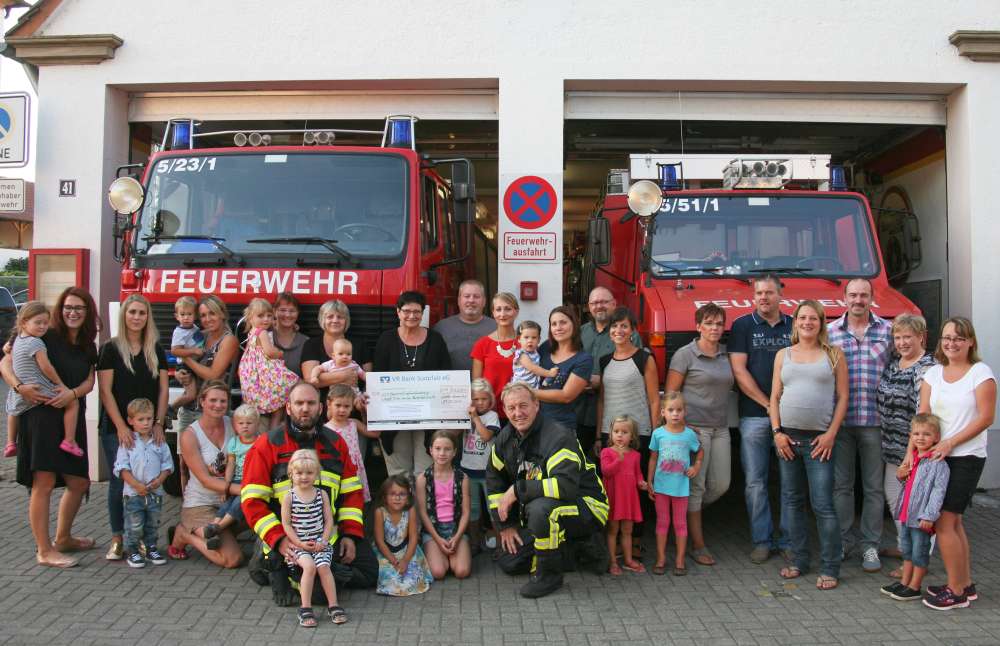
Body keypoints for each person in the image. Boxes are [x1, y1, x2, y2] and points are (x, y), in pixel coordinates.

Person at [242, 381, 378, 607]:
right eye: (299, 403)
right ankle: (272, 563)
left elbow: (352, 493)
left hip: (325, 534)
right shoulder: (267, 445)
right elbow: (252, 502)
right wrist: (279, 540)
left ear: (320, 408)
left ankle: (321, 570)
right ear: (288, 408)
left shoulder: (336, 443)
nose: (305, 408)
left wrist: (350, 535)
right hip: (287, 535)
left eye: (311, 403)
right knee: (319, 597)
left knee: (370, 572)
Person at [1, 287, 98, 567]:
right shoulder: (44, 334)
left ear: (87, 312)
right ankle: (44, 550)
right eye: (68, 306)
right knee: (42, 483)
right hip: (40, 416)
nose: (73, 312)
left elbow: (90, 382)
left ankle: (63, 538)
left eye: (79, 308)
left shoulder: (88, 345)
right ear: (60, 309)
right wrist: (19, 388)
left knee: (79, 481)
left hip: (70, 416)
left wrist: (73, 394)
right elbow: (6, 360)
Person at [486, 382, 610, 598]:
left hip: (587, 505)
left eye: (523, 406)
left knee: (541, 508)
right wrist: (505, 525)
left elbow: (565, 487)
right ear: (504, 410)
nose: (518, 413)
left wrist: (517, 490)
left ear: (536, 405)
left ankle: (549, 576)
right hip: (548, 508)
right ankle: (579, 547)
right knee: (510, 562)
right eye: (511, 408)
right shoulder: (506, 439)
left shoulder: (558, 437)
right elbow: (494, 479)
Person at [917, 317, 996, 610]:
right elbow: (923, 415)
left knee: (943, 522)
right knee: (956, 522)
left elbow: (986, 418)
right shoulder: (933, 374)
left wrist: (950, 442)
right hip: (937, 458)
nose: (952, 343)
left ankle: (955, 592)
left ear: (970, 342)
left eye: (959, 339)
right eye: (947, 337)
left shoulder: (980, 373)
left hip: (966, 457)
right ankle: (964, 584)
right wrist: (916, 454)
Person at [771, 300, 848, 591]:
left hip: (820, 441)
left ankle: (830, 566)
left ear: (821, 322)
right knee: (792, 502)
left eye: (813, 318)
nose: (807, 323)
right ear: (795, 322)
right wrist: (777, 432)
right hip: (787, 438)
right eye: (802, 318)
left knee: (823, 505)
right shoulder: (783, 355)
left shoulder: (834, 354)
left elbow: (842, 397)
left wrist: (831, 434)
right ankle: (799, 560)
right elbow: (774, 397)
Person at [97, 293, 169, 561]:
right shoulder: (110, 349)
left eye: (142, 313)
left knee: (148, 482)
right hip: (119, 429)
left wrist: (159, 423)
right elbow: (106, 392)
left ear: (147, 317)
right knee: (120, 484)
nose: (137, 317)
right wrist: (121, 427)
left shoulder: (156, 349)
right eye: (132, 312)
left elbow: (163, 390)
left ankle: (142, 541)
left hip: (150, 429)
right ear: (124, 315)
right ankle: (118, 539)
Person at [827, 278, 893, 572]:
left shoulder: (888, 332)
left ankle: (870, 546)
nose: (858, 300)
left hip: (875, 422)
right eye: (853, 295)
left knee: (874, 489)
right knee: (841, 487)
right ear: (844, 298)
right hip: (839, 423)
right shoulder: (828, 333)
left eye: (863, 295)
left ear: (872, 298)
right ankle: (843, 542)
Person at [728, 274, 792, 563]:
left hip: (791, 418)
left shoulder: (794, 324)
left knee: (790, 482)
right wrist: (768, 405)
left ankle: (789, 540)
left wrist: (781, 409)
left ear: (780, 294)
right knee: (755, 482)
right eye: (759, 294)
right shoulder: (742, 326)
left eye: (769, 293)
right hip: (754, 415)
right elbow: (739, 372)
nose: (763, 298)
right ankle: (762, 540)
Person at [666, 303, 734, 567]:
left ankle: (679, 518)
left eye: (719, 324)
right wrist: (680, 429)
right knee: (697, 487)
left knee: (721, 485)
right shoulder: (685, 355)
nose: (714, 328)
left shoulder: (726, 355)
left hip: (720, 428)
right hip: (694, 429)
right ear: (698, 327)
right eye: (709, 323)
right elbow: (672, 395)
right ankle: (697, 545)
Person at [876, 313, 935, 575]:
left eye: (907, 337)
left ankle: (917, 557)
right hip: (892, 444)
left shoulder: (926, 368)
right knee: (896, 498)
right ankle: (904, 546)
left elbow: (924, 414)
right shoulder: (894, 364)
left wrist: (911, 454)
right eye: (897, 337)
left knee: (915, 505)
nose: (902, 342)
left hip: (913, 449)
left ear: (921, 337)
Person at [373, 291, 452, 476]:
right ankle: (403, 506)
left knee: (424, 472)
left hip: (429, 418)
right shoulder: (386, 339)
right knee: (399, 473)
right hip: (393, 418)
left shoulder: (435, 340)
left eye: (417, 311)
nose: (412, 316)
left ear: (423, 313)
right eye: (406, 311)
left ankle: (422, 505)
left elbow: (446, 375)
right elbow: (378, 377)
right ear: (398, 312)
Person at [167, 380, 243, 567]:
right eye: (213, 400)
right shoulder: (190, 435)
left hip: (227, 503)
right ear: (202, 401)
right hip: (201, 504)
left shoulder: (233, 423)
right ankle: (184, 533)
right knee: (233, 559)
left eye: (223, 401)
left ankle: (220, 533)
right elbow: (205, 480)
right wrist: (243, 489)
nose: (218, 405)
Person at [880, 414, 949, 602]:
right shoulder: (914, 458)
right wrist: (901, 476)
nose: (920, 437)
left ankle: (915, 586)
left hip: (921, 518)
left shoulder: (937, 463)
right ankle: (904, 582)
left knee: (919, 552)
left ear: (936, 438)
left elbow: (938, 492)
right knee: (908, 551)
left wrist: (929, 515)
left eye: (926, 434)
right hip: (906, 514)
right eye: (916, 434)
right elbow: (909, 486)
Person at [6, 301, 82, 457]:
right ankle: (69, 440)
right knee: (73, 403)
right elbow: (46, 367)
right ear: (24, 322)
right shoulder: (36, 342)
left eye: (45, 323)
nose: (42, 327)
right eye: (38, 323)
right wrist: (60, 384)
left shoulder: (18, 340)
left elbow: (10, 358)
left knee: (12, 411)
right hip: (39, 388)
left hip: (21, 391)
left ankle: (10, 443)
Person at [281, 448, 347, 627]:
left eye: (309, 473)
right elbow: (286, 524)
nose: (304, 477)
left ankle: (333, 605)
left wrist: (323, 541)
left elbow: (328, 521)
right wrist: (299, 543)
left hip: (319, 543)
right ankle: (305, 608)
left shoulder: (321, 494)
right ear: (291, 473)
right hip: (299, 545)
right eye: (299, 473)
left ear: (317, 474)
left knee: (324, 567)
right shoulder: (289, 497)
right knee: (309, 567)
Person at [113, 397, 174, 569]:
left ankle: (151, 547)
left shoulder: (159, 441)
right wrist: (136, 485)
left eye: (149, 419)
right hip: (133, 494)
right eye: (141, 419)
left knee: (152, 522)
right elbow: (121, 468)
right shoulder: (128, 442)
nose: (146, 423)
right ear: (131, 421)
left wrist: (159, 480)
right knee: (134, 524)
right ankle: (133, 550)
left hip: (155, 493)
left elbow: (167, 465)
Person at [580, 287, 641, 456]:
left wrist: (601, 380)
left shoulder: (628, 334)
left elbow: (636, 374)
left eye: (604, 302)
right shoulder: (580, 332)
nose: (599, 306)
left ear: (614, 304)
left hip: (614, 414)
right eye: (594, 303)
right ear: (589, 307)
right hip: (580, 411)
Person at [647, 392, 702, 576]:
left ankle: (680, 560)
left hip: (681, 488)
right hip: (661, 487)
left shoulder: (689, 435)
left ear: (684, 412)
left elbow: (699, 450)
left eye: (679, 410)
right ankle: (661, 558)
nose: (675, 414)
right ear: (663, 412)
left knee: (680, 523)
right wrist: (649, 481)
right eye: (671, 410)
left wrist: (696, 466)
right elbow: (653, 458)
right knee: (662, 522)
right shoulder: (658, 434)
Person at [175, 295, 240, 431]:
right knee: (183, 452)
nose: (207, 319)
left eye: (212, 313)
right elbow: (180, 356)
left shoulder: (229, 340)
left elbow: (213, 375)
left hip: (213, 413)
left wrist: (185, 357)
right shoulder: (201, 335)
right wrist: (179, 373)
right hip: (188, 409)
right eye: (203, 315)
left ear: (222, 314)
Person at [415, 431, 472, 580]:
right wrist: (438, 539)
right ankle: (438, 552)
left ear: (454, 452)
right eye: (438, 448)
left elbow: (466, 512)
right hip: (433, 531)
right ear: (430, 450)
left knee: (462, 572)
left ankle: (456, 553)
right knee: (438, 573)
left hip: (456, 529)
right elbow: (423, 513)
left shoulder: (462, 478)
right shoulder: (422, 479)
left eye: (447, 449)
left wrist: (457, 537)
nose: (442, 453)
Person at [201, 404, 260, 540]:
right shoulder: (234, 442)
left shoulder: (260, 441)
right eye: (241, 423)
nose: (245, 426)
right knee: (227, 503)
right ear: (235, 425)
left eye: (249, 423)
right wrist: (226, 486)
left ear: (257, 424)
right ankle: (214, 526)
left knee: (240, 501)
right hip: (236, 481)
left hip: (252, 481)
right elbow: (231, 464)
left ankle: (219, 528)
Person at [238, 298, 299, 430]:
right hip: (266, 370)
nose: (266, 319)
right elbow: (269, 352)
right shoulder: (263, 332)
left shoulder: (252, 331)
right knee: (287, 390)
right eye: (261, 316)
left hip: (254, 373)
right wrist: (280, 353)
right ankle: (274, 431)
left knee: (274, 398)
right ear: (250, 317)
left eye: (269, 316)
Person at [535, 306, 593, 441]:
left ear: (574, 324)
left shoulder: (583, 359)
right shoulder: (544, 348)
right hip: (534, 422)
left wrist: (528, 392)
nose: (558, 327)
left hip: (561, 427)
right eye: (553, 324)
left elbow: (566, 396)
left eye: (563, 322)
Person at [372, 474, 434, 596]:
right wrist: (394, 561)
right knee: (388, 576)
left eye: (402, 494)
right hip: (386, 554)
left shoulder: (410, 511)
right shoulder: (380, 512)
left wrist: (405, 561)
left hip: (407, 552)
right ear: (385, 497)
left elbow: (413, 538)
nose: (397, 498)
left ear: (408, 496)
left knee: (413, 577)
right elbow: (379, 541)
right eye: (393, 494)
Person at [301, 299, 372, 405]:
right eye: (330, 317)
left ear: (346, 321)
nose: (335, 320)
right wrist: (344, 376)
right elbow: (310, 380)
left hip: (354, 404)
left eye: (340, 317)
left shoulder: (360, 345)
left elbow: (369, 379)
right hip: (322, 406)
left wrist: (325, 378)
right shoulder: (311, 345)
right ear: (322, 320)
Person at [601, 415, 647, 575]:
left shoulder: (635, 455)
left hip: (629, 500)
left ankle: (628, 559)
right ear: (611, 433)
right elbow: (606, 472)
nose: (620, 435)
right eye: (616, 431)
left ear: (632, 436)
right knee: (613, 530)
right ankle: (613, 561)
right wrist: (618, 461)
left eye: (625, 432)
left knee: (627, 530)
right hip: (614, 498)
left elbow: (638, 474)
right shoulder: (606, 452)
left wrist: (642, 483)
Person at [325, 383, 379, 503]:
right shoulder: (325, 429)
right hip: (336, 470)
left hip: (354, 470)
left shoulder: (353, 423)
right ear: (329, 404)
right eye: (338, 405)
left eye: (346, 406)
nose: (342, 410)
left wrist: (365, 410)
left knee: (355, 501)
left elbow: (375, 433)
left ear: (352, 407)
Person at [464, 378, 501, 550]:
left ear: (490, 399)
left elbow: (486, 436)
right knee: (473, 508)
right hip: (468, 470)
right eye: (475, 399)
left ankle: (501, 544)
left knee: (492, 507)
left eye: (483, 399)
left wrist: (476, 418)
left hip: (487, 471)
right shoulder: (466, 415)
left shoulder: (492, 416)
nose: (479, 403)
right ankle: (474, 542)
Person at [471, 292, 519, 418]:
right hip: (490, 413)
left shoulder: (525, 344)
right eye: (498, 309)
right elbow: (477, 385)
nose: (502, 314)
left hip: (518, 411)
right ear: (493, 313)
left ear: (516, 311)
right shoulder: (482, 344)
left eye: (508, 309)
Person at [434, 279, 497, 371]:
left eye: (476, 296)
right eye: (467, 296)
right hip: (451, 384)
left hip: (486, 384)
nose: (471, 300)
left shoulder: (496, 327)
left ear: (484, 301)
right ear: (459, 300)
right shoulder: (441, 328)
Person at [273, 292, 310, 377]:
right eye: (282, 310)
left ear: (298, 313)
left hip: (298, 389)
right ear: (274, 311)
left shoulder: (306, 342)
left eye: (292, 311)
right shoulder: (265, 336)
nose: (287, 315)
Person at [510, 320, 557, 388]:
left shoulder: (535, 352)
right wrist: (549, 373)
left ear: (539, 340)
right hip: (520, 388)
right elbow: (533, 368)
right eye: (526, 337)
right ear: (519, 339)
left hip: (532, 387)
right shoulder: (522, 354)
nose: (530, 341)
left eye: (534, 338)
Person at [169, 295, 204, 364]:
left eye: (189, 314)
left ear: (196, 316)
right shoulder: (179, 333)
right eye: (182, 314)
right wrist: (193, 351)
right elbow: (175, 351)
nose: (186, 317)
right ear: (177, 316)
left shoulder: (194, 327)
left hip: (197, 362)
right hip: (185, 365)